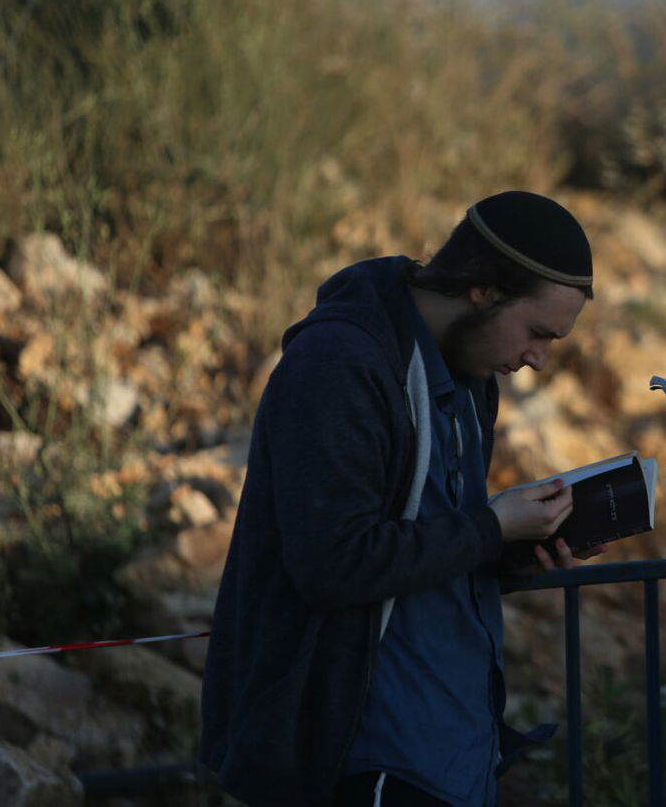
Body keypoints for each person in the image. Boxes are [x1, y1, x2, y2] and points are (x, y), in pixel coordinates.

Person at [201, 191, 603, 807]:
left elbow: (431, 540)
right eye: (537, 333)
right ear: (483, 289)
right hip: (372, 756)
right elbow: (334, 562)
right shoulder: (337, 364)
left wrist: (519, 546)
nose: (538, 359)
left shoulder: (473, 376)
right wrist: (492, 528)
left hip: (456, 753)